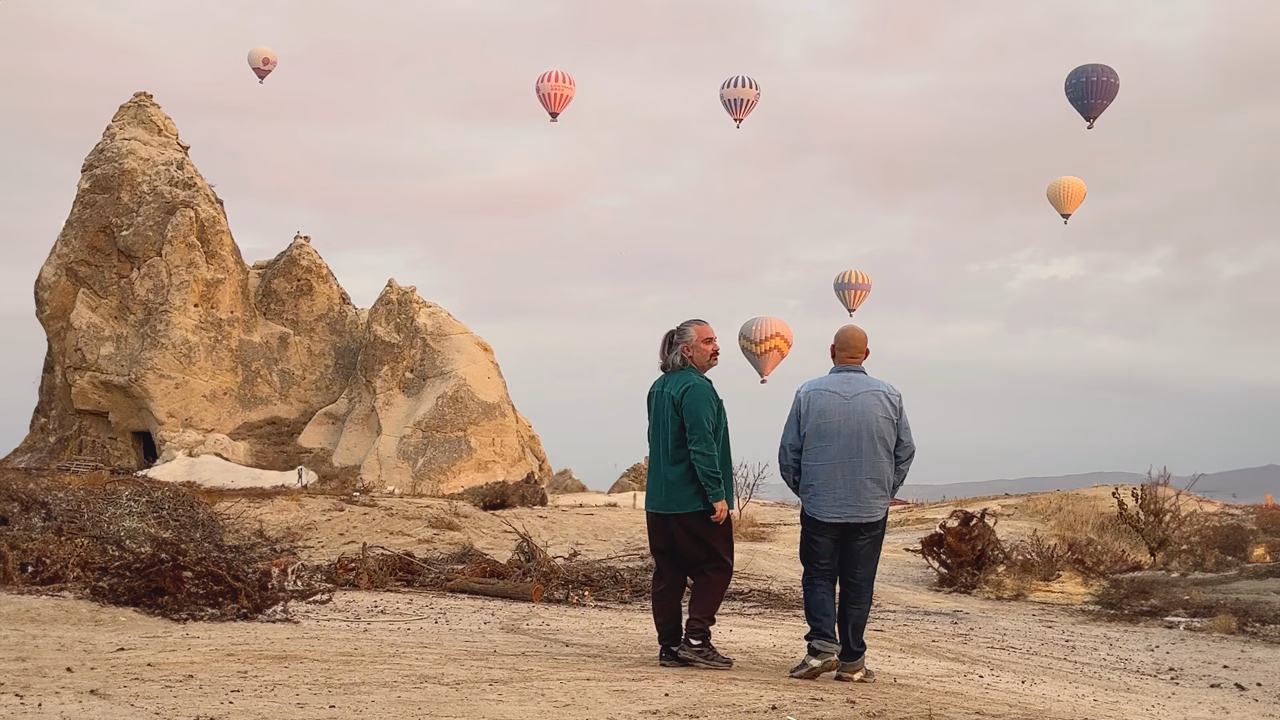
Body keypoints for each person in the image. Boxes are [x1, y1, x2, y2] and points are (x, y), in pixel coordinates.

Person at [777, 324, 915, 682]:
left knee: (820, 576)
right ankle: (853, 661)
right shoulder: (890, 395)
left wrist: (806, 490)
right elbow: (905, 451)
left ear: (831, 351)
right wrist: (884, 491)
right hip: (870, 507)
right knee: (858, 583)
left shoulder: (808, 393)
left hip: (821, 505)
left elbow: (789, 452)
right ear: (866, 355)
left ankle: (823, 646)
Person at [644, 318, 736, 670]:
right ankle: (696, 639)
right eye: (708, 341)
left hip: (660, 501)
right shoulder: (697, 389)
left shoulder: (660, 386)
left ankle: (670, 647)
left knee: (669, 574)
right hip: (692, 500)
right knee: (716, 567)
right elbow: (702, 445)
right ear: (687, 349)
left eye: (715, 340)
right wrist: (717, 493)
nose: (716, 347)